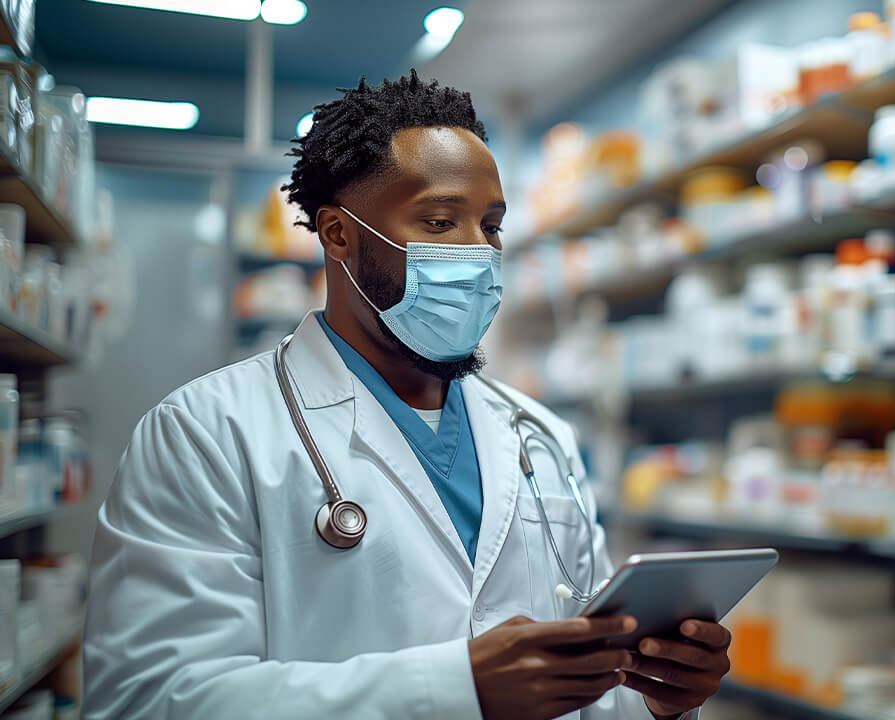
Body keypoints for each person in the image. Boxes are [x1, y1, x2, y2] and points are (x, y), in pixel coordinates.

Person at [82, 71, 731, 720]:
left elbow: (593, 682)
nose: (479, 253)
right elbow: (146, 701)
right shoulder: (207, 433)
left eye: (492, 226)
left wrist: (656, 698)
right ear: (338, 234)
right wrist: (453, 690)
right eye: (441, 221)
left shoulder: (542, 436)